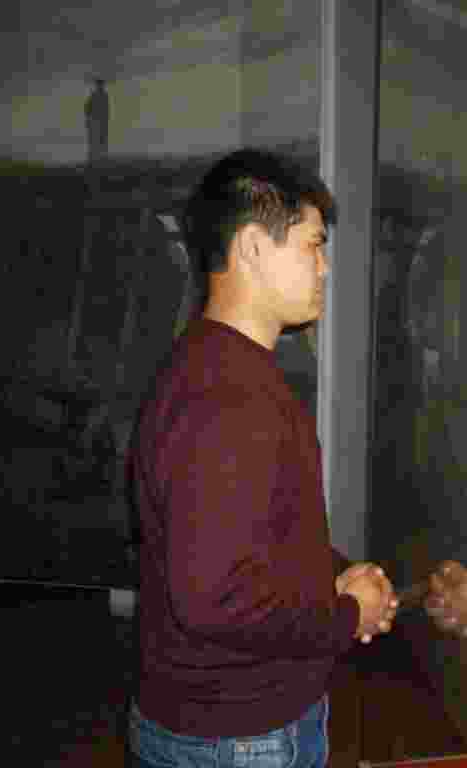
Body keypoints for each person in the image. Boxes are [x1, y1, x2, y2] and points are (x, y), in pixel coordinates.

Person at [127, 149, 402, 768]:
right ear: (252, 247)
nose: (326, 267)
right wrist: (344, 613)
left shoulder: (225, 370)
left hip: (232, 730)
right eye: (313, 244)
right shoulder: (224, 395)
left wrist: (341, 576)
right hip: (237, 740)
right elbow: (218, 598)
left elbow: (262, 541)